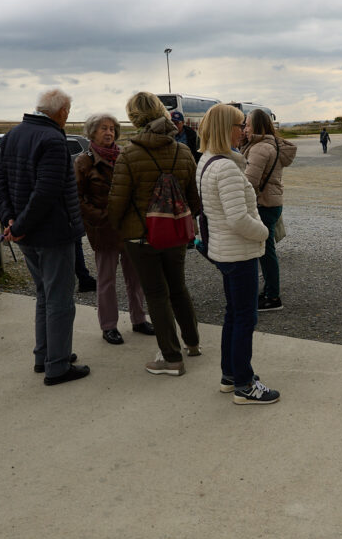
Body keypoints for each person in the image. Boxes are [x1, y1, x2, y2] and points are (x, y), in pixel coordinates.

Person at [0, 89, 89, 386]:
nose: (68, 116)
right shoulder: (53, 139)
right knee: (60, 299)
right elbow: (46, 192)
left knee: (45, 294)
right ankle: (57, 366)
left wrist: (10, 221)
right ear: (61, 112)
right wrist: (19, 225)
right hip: (52, 233)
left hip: (26, 234)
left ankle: (46, 354)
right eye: (68, 111)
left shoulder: (13, 135)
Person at [107, 92, 201, 375]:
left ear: (134, 117)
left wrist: (117, 228)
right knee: (178, 288)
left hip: (140, 237)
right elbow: (195, 201)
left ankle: (171, 358)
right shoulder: (183, 152)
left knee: (156, 294)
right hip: (176, 234)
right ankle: (192, 343)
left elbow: (117, 203)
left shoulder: (129, 155)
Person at [197, 104, 280, 404]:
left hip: (225, 250)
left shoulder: (207, 160)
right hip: (238, 252)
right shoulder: (226, 168)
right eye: (239, 125)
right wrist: (264, 232)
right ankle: (244, 385)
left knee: (234, 314)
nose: (243, 131)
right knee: (245, 318)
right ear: (225, 128)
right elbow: (238, 219)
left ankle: (230, 375)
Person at [75, 113, 152, 345]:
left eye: (111, 129)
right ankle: (109, 326)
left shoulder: (125, 156)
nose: (109, 133)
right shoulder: (84, 161)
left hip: (129, 228)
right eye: (103, 128)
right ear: (92, 132)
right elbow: (78, 198)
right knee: (106, 279)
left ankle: (139, 319)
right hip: (104, 229)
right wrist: (101, 217)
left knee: (135, 277)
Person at [243, 108, 297, 312]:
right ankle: (269, 291)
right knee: (266, 251)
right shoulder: (269, 144)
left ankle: (273, 297)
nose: (245, 128)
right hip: (272, 202)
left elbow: (250, 181)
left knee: (266, 253)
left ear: (257, 126)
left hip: (264, 204)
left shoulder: (260, 148)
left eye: (248, 124)